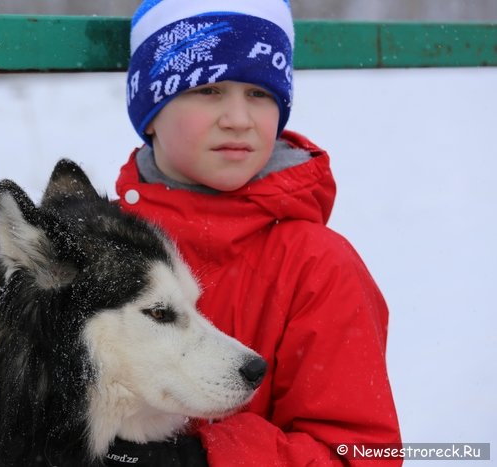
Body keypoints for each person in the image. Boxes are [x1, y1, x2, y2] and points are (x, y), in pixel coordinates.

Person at [103, 0, 402, 465]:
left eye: (260, 94)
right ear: (151, 111)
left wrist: (202, 459)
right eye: (209, 89)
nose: (239, 119)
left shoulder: (318, 264)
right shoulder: (98, 247)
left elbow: (361, 454)